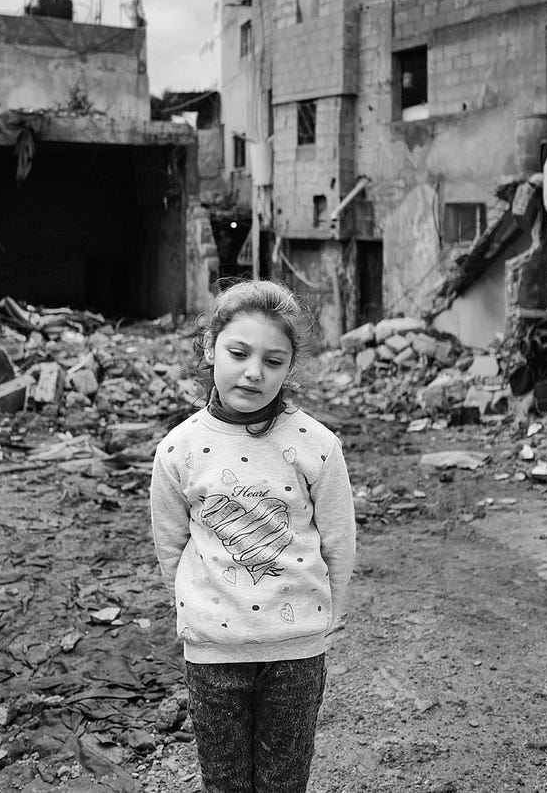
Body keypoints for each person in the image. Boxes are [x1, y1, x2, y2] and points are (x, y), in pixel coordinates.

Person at [150, 279, 356, 793]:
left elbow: (338, 540)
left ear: (290, 368)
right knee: (224, 783)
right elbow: (171, 548)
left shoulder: (317, 445)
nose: (253, 371)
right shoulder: (178, 450)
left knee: (284, 783)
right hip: (213, 652)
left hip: (296, 653)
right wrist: (199, 610)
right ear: (209, 348)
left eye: (273, 360)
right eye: (238, 352)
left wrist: (328, 618)